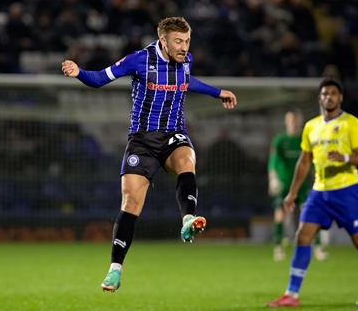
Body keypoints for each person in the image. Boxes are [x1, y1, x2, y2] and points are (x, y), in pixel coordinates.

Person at [61, 16, 237, 292]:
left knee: (187, 159)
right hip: (142, 140)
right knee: (131, 203)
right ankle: (115, 270)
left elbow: (187, 82)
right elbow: (98, 79)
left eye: (187, 40)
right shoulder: (138, 60)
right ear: (163, 41)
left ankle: (188, 218)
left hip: (173, 134)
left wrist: (218, 93)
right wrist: (78, 72)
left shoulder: (185, 60)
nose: (184, 47)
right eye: (178, 41)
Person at [267, 78, 358, 308]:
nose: (329, 97)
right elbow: (304, 162)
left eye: (333, 93)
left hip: (347, 190)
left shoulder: (351, 123)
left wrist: (344, 158)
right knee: (302, 236)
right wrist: (292, 193)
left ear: (340, 97)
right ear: (319, 98)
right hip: (320, 192)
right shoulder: (311, 126)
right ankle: (291, 295)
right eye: (325, 94)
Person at [268, 108, 327, 262]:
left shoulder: (306, 140)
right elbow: (273, 161)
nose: (293, 123)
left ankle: (319, 248)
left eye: (296, 120)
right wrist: (273, 178)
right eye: (291, 120)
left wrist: (318, 179)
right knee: (279, 214)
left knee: (310, 214)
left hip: (301, 185)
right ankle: (278, 248)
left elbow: (313, 161)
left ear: (300, 122)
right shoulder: (280, 140)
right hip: (284, 184)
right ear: (286, 122)